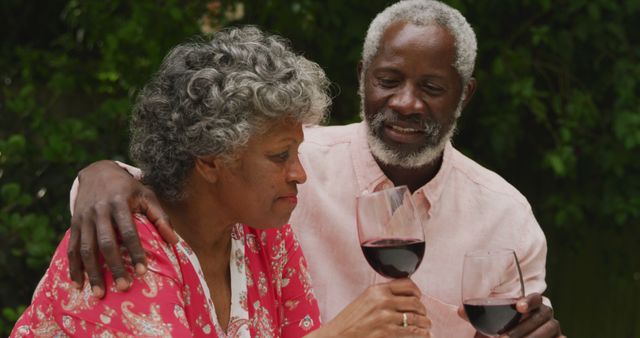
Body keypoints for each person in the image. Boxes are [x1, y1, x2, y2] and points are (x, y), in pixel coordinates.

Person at [64, 0, 564, 337]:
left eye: (432, 88)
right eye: (389, 80)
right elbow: (174, 182)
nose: (407, 103)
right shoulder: (279, 176)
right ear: (363, 78)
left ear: (464, 95)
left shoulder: (506, 217)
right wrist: (102, 173)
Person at [11, 26, 432, 337]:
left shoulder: (264, 235)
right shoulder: (125, 243)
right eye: (279, 155)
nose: (299, 174)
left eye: (297, 152)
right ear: (210, 161)